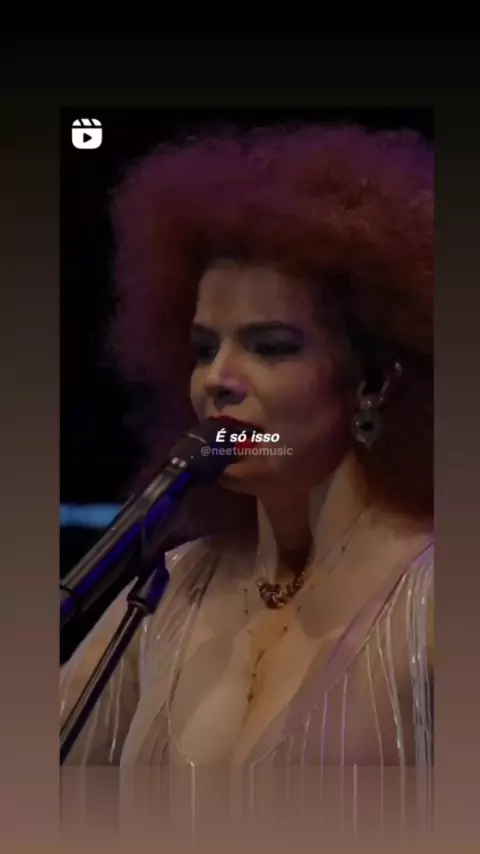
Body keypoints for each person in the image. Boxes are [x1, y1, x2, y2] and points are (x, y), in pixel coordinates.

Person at [61, 123, 433, 783]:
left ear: (373, 381)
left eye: (270, 347)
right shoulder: (168, 589)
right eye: (205, 348)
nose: (218, 379)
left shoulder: (434, 596)